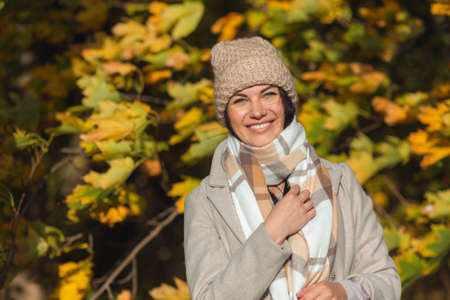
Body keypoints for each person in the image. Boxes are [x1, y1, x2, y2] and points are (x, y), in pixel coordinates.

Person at [184, 36, 401, 300]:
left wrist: (344, 291)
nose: (257, 111)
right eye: (240, 100)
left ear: (286, 102)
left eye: (268, 94)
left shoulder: (340, 180)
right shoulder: (206, 201)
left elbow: (387, 282)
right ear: (226, 114)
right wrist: (271, 234)